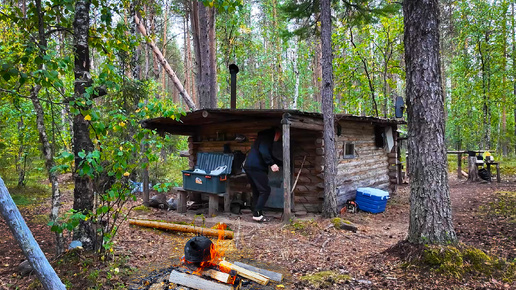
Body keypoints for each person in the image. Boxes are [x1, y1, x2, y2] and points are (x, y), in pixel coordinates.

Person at [244, 127, 282, 222]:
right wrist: (272, 164)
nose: (279, 138)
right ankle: (257, 213)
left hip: (249, 166)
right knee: (265, 190)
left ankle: (257, 213)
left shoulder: (262, 138)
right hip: (256, 167)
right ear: (277, 133)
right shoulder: (267, 138)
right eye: (280, 135)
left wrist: (280, 162)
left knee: (257, 190)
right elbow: (264, 151)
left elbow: (268, 154)